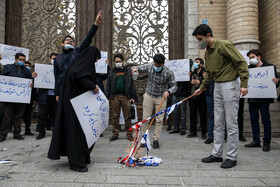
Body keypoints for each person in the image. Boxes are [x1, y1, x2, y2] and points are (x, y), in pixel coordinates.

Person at [192, 24, 249, 169]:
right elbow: (209, 74)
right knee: (218, 121)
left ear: (209, 35)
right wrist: (201, 88)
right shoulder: (208, 52)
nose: (199, 42)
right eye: (198, 40)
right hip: (217, 86)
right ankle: (217, 154)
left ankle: (231, 156)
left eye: (200, 39)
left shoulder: (224, 45)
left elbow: (241, 62)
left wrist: (244, 83)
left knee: (231, 123)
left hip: (230, 85)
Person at [48, 46, 101, 172]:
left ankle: (80, 157)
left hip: (75, 103)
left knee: (79, 133)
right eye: (95, 59)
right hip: (75, 105)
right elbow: (81, 78)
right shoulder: (81, 66)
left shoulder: (78, 64)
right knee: (76, 133)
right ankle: (76, 163)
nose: (96, 62)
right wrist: (92, 86)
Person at [132, 54, 177, 149]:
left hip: (161, 97)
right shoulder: (149, 67)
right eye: (155, 65)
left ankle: (156, 139)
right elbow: (136, 68)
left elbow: (174, 86)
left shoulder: (168, 72)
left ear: (162, 64)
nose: (156, 67)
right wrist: (135, 69)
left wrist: (168, 91)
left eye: (158, 66)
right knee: (145, 119)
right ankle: (143, 139)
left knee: (159, 120)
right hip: (149, 95)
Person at [54, 11, 102, 102]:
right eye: (67, 40)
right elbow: (56, 77)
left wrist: (95, 24)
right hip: (63, 89)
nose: (70, 41)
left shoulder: (77, 52)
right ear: (62, 44)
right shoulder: (57, 59)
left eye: (72, 41)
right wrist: (57, 93)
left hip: (76, 88)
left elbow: (87, 39)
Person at [244, 49, 279, 152]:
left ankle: (266, 142)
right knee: (253, 119)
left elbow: (275, 84)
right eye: (250, 58)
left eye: (252, 57)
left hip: (264, 98)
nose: (251, 59)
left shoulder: (270, 67)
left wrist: (276, 81)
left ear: (259, 57)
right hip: (252, 98)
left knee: (265, 119)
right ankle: (256, 140)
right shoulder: (249, 68)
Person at [0, 53, 32, 142]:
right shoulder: (8, 67)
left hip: (21, 97)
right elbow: (2, 79)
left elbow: (30, 81)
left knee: (19, 116)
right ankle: (3, 135)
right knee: (7, 116)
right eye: (21, 59)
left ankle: (17, 134)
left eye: (24, 60)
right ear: (16, 59)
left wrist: (31, 84)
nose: (22, 61)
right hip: (9, 97)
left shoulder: (26, 70)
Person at [106, 54, 138, 141]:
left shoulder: (127, 71)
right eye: (116, 62)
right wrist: (108, 97)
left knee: (127, 117)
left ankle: (129, 133)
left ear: (123, 61)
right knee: (115, 116)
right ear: (114, 62)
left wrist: (134, 97)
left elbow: (131, 85)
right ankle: (115, 134)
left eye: (119, 61)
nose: (118, 63)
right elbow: (108, 85)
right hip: (114, 97)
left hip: (126, 97)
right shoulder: (111, 72)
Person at [33, 53, 58, 140]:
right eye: (53, 58)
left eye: (56, 59)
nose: (54, 60)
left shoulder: (60, 69)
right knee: (42, 114)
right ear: (49, 59)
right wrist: (34, 76)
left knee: (55, 115)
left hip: (55, 96)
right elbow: (36, 81)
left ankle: (56, 133)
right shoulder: (42, 69)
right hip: (44, 96)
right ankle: (41, 132)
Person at [188, 58, 207, 139]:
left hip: (202, 97)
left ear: (201, 64)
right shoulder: (192, 73)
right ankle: (193, 132)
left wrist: (200, 81)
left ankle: (203, 133)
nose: (195, 64)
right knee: (192, 114)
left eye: (197, 62)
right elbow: (189, 84)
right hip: (192, 96)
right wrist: (190, 80)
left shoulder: (204, 72)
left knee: (203, 115)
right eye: (195, 62)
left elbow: (206, 82)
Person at [22, 61, 37, 136]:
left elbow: (34, 88)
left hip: (29, 98)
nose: (26, 67)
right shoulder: (19, 74)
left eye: (28, 66)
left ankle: (27, 129)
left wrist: (34, 99)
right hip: (20, 98)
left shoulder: (32, 77)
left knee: (28, 115)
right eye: (25, 65)